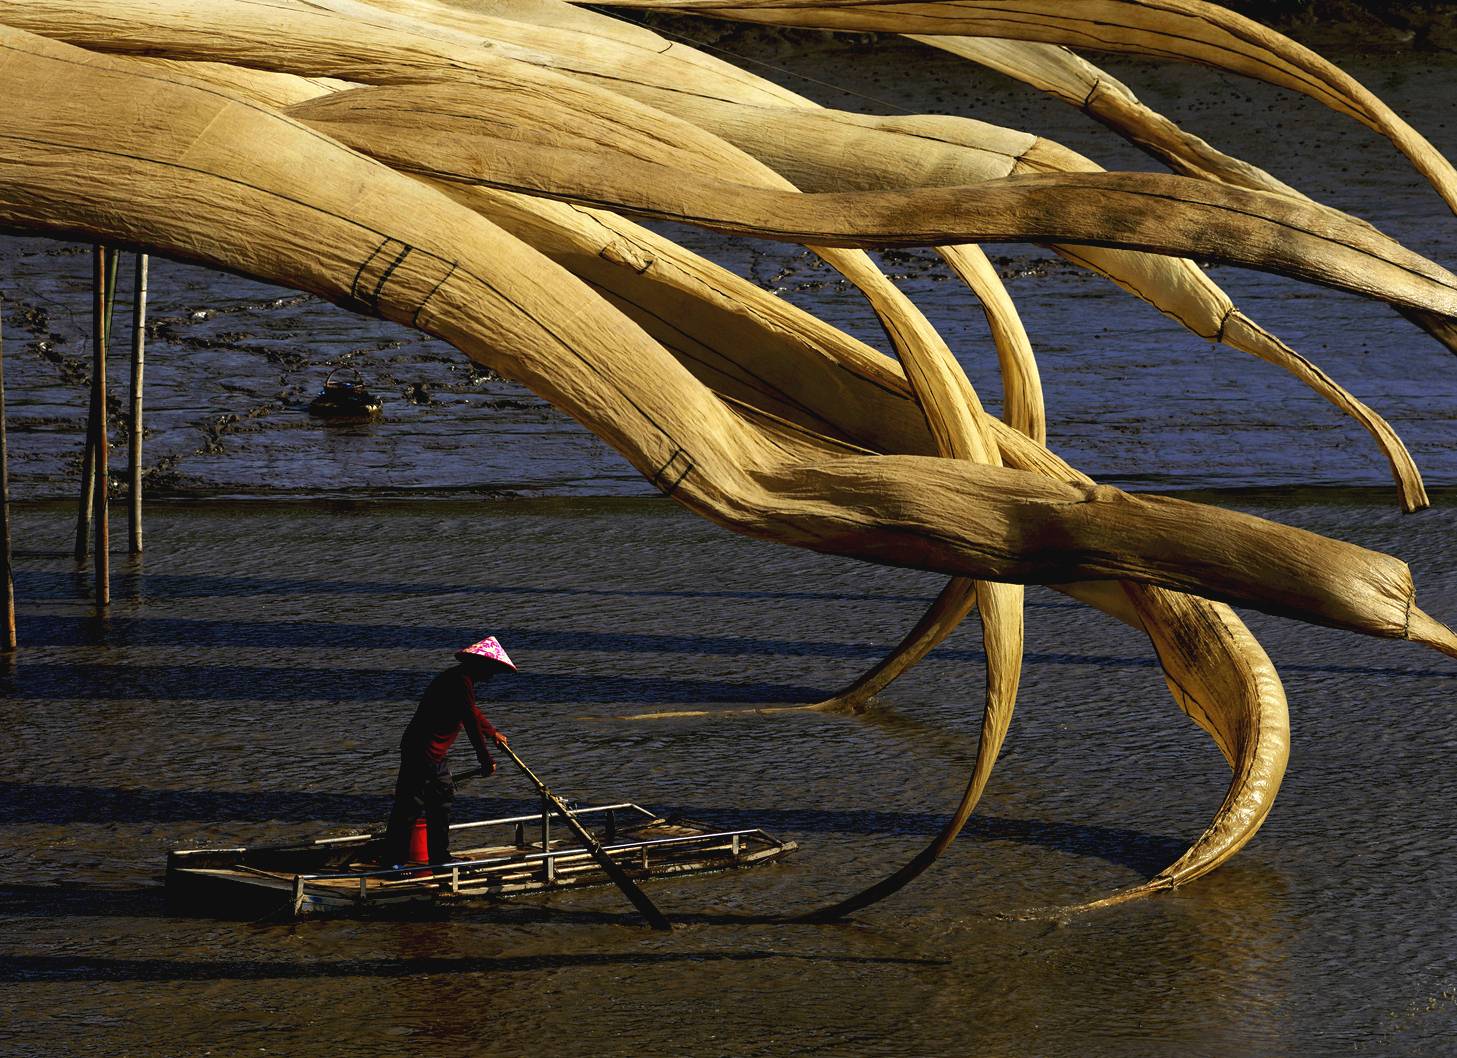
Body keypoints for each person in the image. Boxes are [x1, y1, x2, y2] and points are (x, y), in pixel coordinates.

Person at [381, 636, 516, 867]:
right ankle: (397, 861)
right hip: (425, 751)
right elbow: (471, 723)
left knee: (438, 802)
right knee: (412, 805)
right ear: (480, 665)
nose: (491, 675)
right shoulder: (460, 681)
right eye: (491, 669)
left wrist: (492, 733)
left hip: (430, 752)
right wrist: (485, 758)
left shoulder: (459, 679)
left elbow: (472, 712)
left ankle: (434, 857)